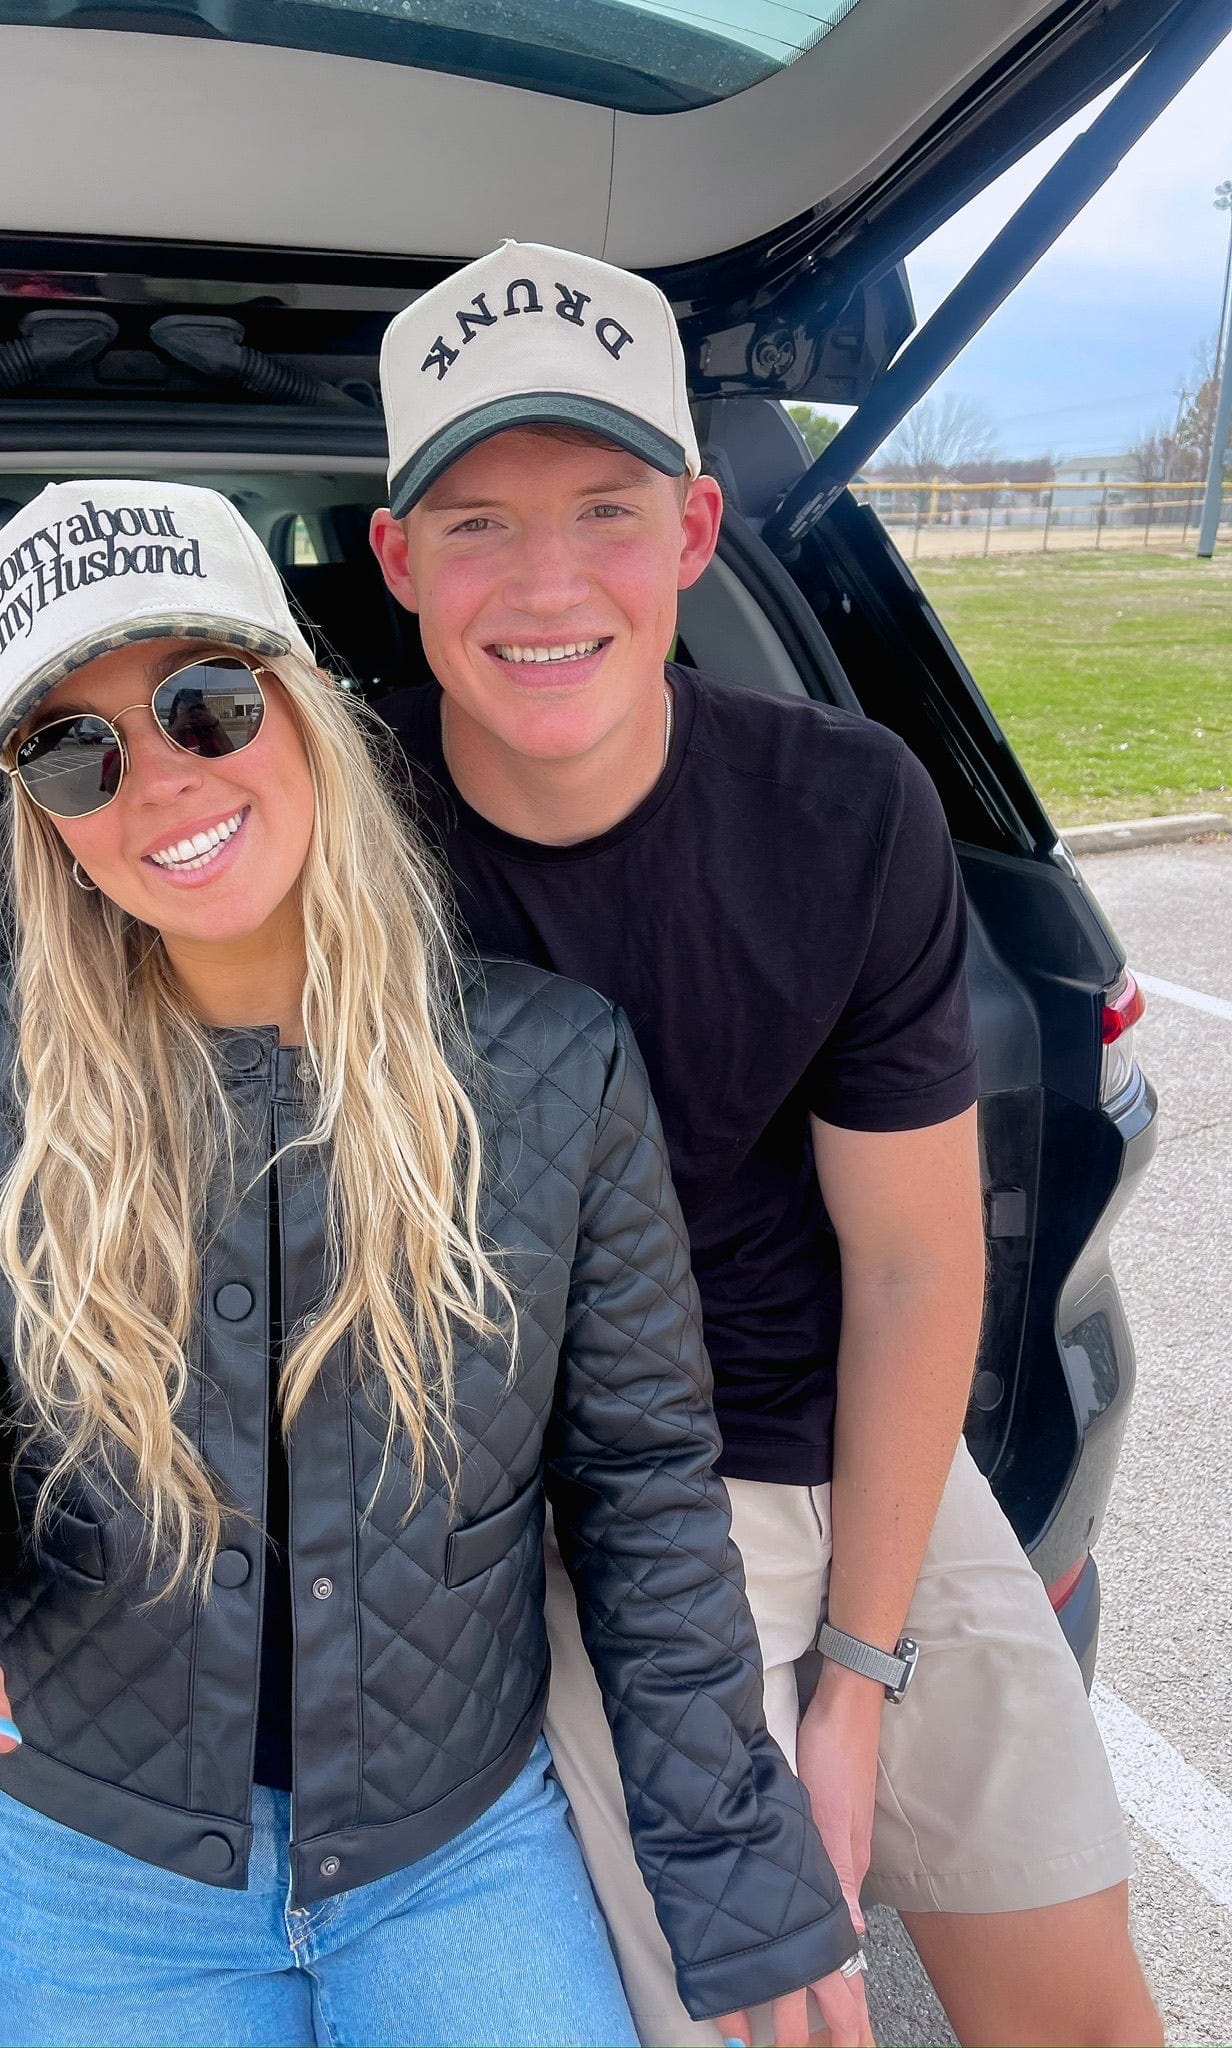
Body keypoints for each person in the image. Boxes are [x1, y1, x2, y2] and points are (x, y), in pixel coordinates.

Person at [0, 480, 866, 2048]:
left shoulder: (556, 1066)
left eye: (204, 701)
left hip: (454, 1851)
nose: (158, 781)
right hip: (87, 1861)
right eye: (73, 750)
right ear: (44, 818)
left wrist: (737, 1867)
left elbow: (643, 1490)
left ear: (306, 703)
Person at [360, 241, 1161, 2048]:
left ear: (698, 530)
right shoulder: (339, 847)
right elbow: (134, 1170)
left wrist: (856, 1685)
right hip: (596, 1511)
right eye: (478, 524)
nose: (546, 581)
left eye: (607, 509)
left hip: (865, 1449)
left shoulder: (846, 805)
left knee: (1087, 2015)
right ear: (397, 561)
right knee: (779, 2020)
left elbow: (914, 1261)